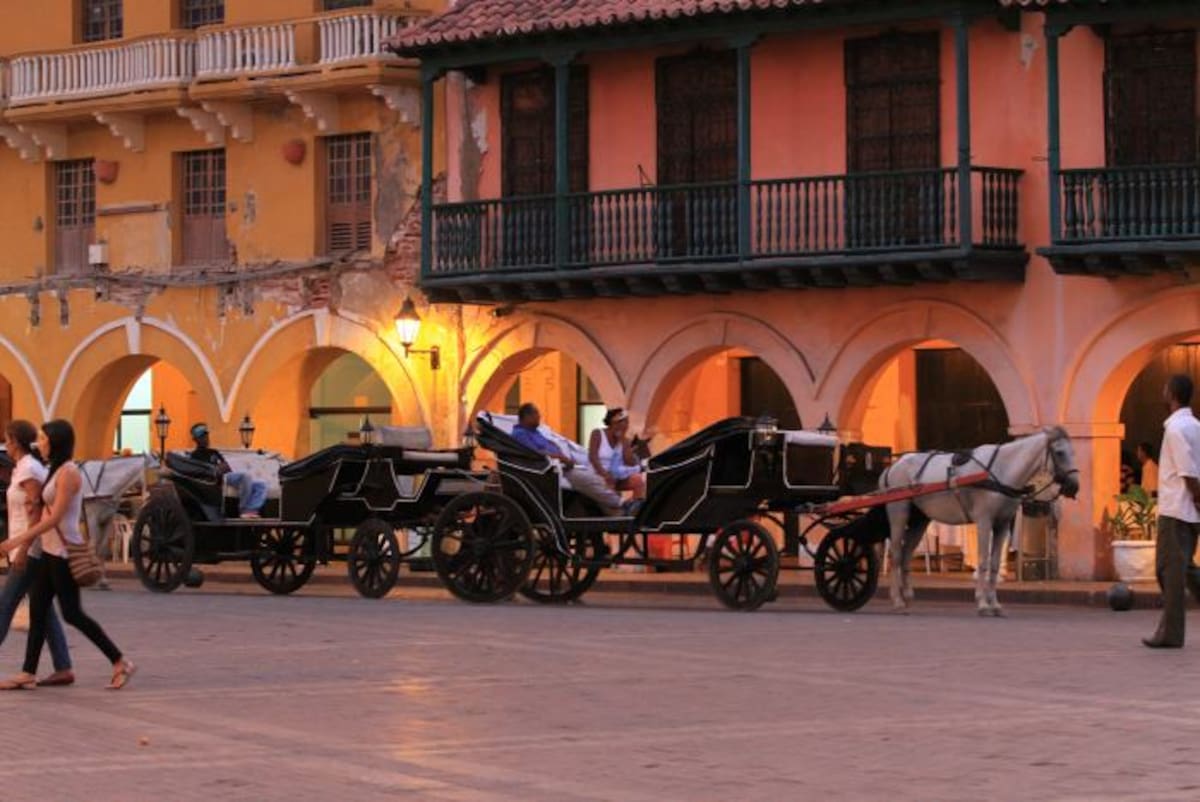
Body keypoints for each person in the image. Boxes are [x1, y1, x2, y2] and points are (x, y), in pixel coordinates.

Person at [0, 420, 135, 689]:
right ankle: (28, 672)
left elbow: (56, 518)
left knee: (73, 614)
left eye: (44, 439)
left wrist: (18, 540)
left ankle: (120, 660)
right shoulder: (54, 469)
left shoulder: (69, 473)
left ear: (57, 442)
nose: (40, 444)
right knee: (38, 611)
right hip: (48, 551)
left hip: (63, 553)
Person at [0, 421, 72, 686]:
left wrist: (22, 549)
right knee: (43, 610)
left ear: (15, 441)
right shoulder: (23, 467)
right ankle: (63, 666)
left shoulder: (29, 468)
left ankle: (59, 666)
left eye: (7, 440)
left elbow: (37, 510)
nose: (6, 445)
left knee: (6, 604)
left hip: (30, 549)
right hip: (26, 546)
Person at [1143, 375, 1200, 649]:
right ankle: (1169, 631)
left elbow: (1188, 472)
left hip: (1176, 510)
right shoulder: (1195, 426)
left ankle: (1171, 634)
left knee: (1168, 572)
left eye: (1165, 388)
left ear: (1171, 394)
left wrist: (1197, 498)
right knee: (1184, 569)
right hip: (1185, 510)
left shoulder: (1176, 429)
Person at [189, 423, 267, 518]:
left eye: (206, 436)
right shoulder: (195, 455)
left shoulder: (213, 452)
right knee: (245, 477)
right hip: (215, 478)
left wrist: (227, 466)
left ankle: (251, 509)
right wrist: (216, 469)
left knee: (261, 484)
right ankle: (243, 510)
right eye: (202, 437)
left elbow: (225, 464)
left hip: (226, 474)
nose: (206, 438)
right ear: (196, 440)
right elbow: (200, 472)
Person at [588, 408, 649, 500]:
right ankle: (619, 504)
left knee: (638, 480)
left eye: (627, 422)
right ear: (613, 423)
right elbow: (593, 457)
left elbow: (629, 462)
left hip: (616, 476)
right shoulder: (597, 433)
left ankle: (635, 505)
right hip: (598, 474)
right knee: (610, 488)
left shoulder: (624, 440)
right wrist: (605, 474)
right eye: (623, 422)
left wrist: (622, 441)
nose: (626, 425)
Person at [510, 404, 575, 471]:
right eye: (536, 413)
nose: (539, 416)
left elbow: (546, 445)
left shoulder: (534, 431)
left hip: (560, 465)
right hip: (547, 469)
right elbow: (535, 453)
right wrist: (562, 458)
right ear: (527, 416)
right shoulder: (520, 434)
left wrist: (562, 455)